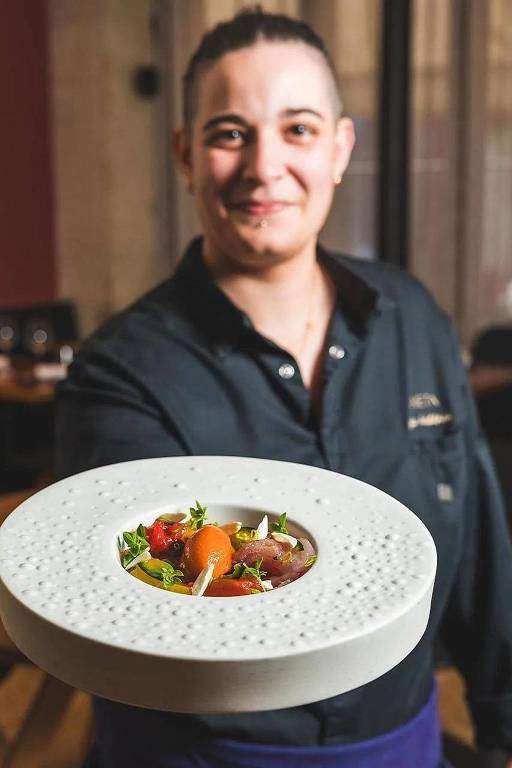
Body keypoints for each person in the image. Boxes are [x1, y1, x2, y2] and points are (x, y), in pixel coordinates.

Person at [56, 8, 512, 768]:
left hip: (403, 747)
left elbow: (479, 562)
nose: (265, 167)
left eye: (298, 129)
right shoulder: (119, 374)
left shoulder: (414, 322)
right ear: (186, 156)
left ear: (340, 149)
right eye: (230, 133)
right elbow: (147, 625)